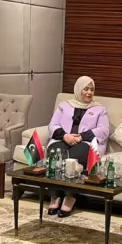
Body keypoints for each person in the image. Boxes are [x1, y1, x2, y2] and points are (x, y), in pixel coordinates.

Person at [46, 76, 109, 217]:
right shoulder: (64, 105)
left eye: (92, 89)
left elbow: (104, 130)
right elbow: (52, 125)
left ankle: (70, 196)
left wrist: (81, 136)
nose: (89, 92)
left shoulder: (100, 109)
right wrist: (64, 136)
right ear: (78, 89)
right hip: (62, 139)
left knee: (74, 158)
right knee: (56, 155)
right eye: (86, 89)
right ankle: (55, 195)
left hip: (85, 142)